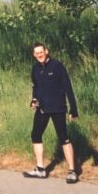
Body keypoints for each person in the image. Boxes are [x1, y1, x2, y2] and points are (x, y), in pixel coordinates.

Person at [23, 42, 79, 184]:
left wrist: (73, 108)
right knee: (35, 135)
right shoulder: (35, 69)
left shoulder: (57, 66)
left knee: (63, 137)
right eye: (36, 53)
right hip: (42, 108)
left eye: (41, 52)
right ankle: (40, 169)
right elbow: (36, 87)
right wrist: (34, 99)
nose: (39, 55)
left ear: (46, 51)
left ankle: (72, 171)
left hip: (58, 108)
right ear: (34, 55)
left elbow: (68, 87)